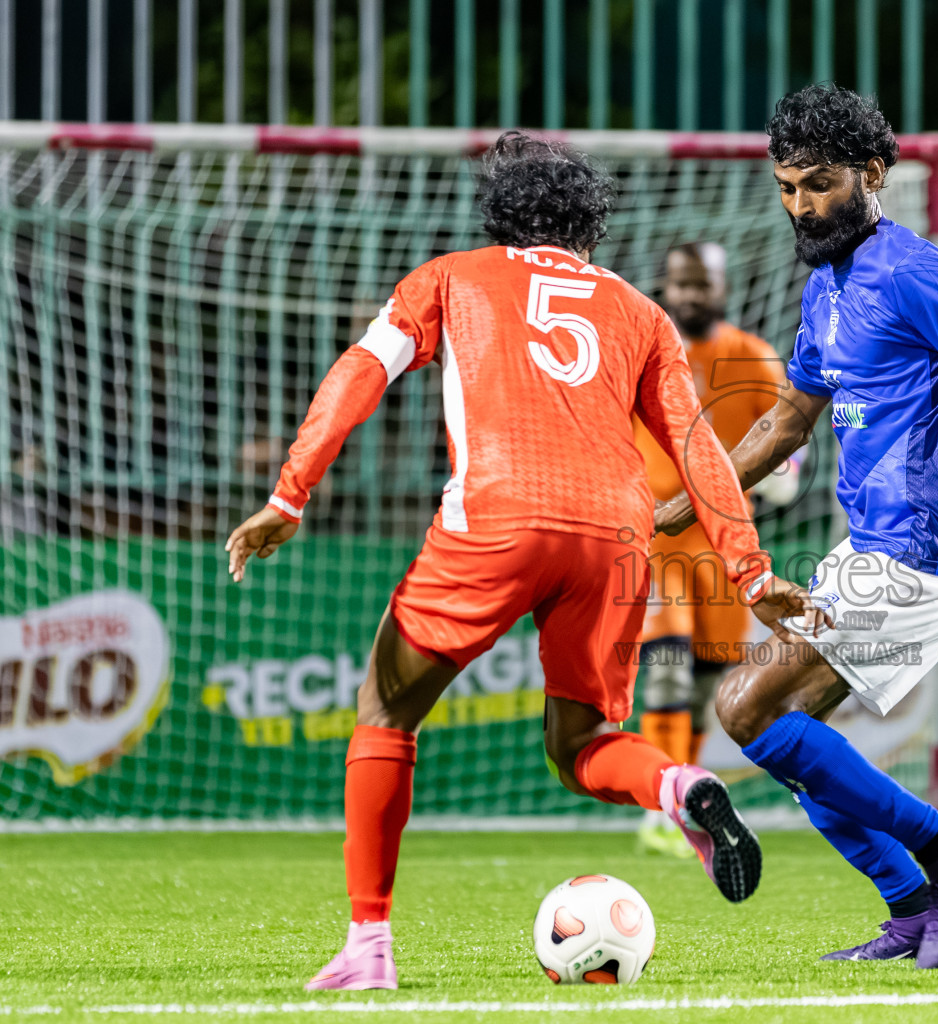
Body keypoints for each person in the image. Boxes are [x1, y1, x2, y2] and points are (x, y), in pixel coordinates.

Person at [223, 132, 828, 991]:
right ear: (589, 226)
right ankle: (676, 784)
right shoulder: (640, 313)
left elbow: (358, 373)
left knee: (386, 711)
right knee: (582, 740)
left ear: (500, 214)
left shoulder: (449, 278)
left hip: (498, 519)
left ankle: (369, 948)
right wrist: (754, 571)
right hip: (619, 537)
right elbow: (700, 450)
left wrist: (290, 494)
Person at [655, 85, 938, 969]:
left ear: (873, 173)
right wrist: (688, 500)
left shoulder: (915, 270)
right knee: (798, 738)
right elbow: (786, 422)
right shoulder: (827, 284)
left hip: (932, 546)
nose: (802, 204)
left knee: (745, 707)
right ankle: (913, 908)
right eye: (787, 186)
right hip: (871, 545)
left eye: (821, 184)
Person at [633, 242, 791, 857]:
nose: (692, 294)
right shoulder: (641, 351)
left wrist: (788, 470)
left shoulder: (752, 357)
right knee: (666, 668)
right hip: (655, 536)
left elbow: (787, 433)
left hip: (724, 540)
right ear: (665, 285)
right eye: (682, 283)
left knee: (704, 680)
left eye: (704, 284)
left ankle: (684, 802)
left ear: (725, 287)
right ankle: (656, 808)